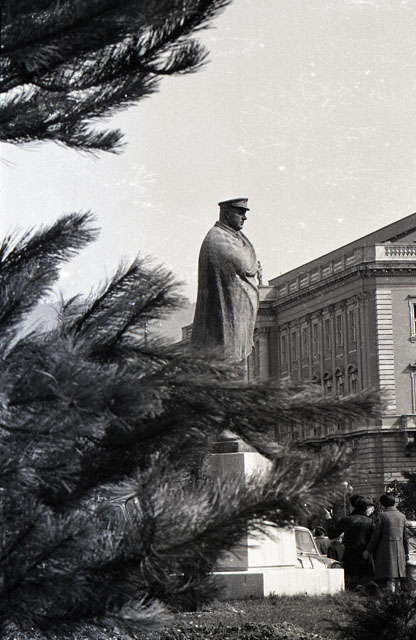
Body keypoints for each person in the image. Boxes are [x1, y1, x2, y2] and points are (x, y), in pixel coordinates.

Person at [191, 198, 259, 362]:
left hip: (235, 320)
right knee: (230, 366)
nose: (244, 218)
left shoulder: (232, 237)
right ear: (227, 214)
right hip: (225, 323)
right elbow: (246, 265)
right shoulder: (217, 238)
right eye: (240, 213)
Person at [363, 494, 409, 592]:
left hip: (386, 551)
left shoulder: (382, 516)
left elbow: (376, 536)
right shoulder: (402, 516)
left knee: (389, 577)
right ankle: (398, 596)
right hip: (400, 551)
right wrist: (407, 552)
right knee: (397, 577)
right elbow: (405, 537)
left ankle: (389, 597)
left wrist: (368, 550)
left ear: (382, 504)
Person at [327, 496, 375, 590]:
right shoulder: (370, 522)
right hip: (365, 557)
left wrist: (329, 520)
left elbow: (332, 534)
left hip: (350, 556)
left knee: (351, 585)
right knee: (365, 586)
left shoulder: (347, 519)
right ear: (365, 508)